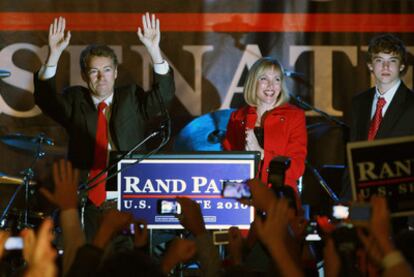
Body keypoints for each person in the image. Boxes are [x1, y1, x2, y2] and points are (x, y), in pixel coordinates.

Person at [33, 13, 175, 240]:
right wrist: (54, 55)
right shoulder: (75, 99)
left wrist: (154, 51)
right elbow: (46, 100)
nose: (101, 77)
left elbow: (163, 97)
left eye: (107, 70)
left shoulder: (130, 97)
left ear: (116, 73)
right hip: (86, 201)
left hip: (126, 199)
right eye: (93, 71)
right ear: (84, 75)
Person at [222, 57, 307, 195]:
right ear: (253, 82)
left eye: (277, 79)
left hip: (279, 199)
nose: (271, 85)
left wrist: (260, 152)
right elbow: (227, 164)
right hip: (244, 197)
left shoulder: (294, 116)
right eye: (264, 79)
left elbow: (296, 168)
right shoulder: (238, 117)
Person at [350, 34, 414, 142]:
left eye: (392, 60)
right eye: (379, 60)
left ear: (402, 66)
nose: (386, 67)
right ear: (370, 65)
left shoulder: (411, 104)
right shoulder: (358, 102)